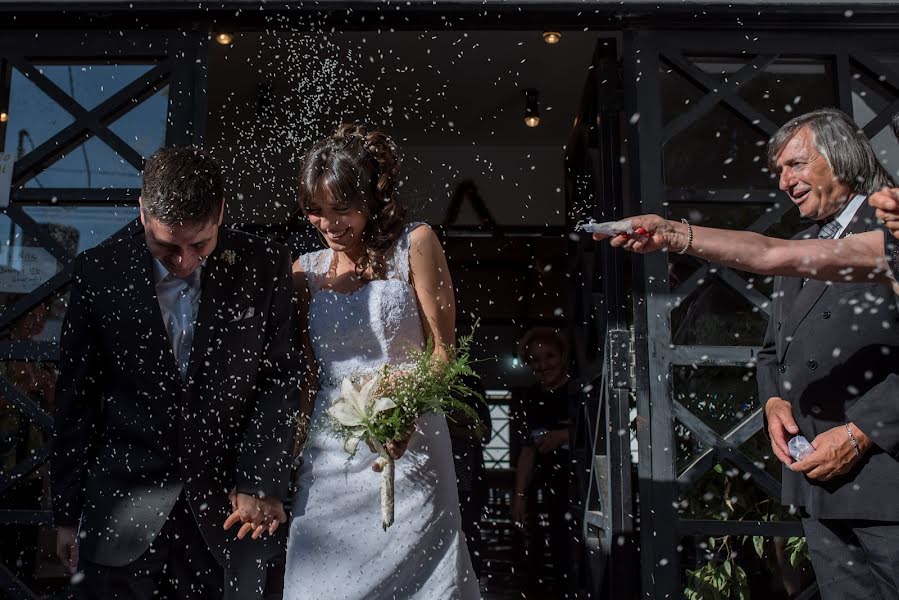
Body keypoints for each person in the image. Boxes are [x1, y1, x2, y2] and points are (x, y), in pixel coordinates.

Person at [602, 108, 899, 598]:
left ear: (842, 159)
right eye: (780, 171)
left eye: (796, 165)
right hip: (818, 485)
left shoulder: (887, 234)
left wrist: (862, 431)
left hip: (885, 473)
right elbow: (771, 351)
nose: (785, 182)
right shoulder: (803, 244)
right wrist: (774, 402)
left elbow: (766, 253)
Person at [51, 147, 302, 599]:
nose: (183, 261)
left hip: (229, 517)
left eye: (199, 244)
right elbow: (77, 399)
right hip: (120, 515)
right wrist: (66, 514)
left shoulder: (265, 266)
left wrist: (260, 481)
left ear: (222, 212)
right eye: (166, 245)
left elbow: (279, 382)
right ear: (143, 210)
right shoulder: (98, 271)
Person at [283, 124, 479, 599]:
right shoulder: (303, 272)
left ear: (370, 198)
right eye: (315, 211)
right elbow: (306, 372)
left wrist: (406, 408)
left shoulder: (416, 243)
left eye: (340, 209)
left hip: (413, 446)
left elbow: (442, 351)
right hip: (330, 451)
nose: (328, 224)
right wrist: (287, 454)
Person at [512, 327, 578, 596]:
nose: (542, 365)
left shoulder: (579, 390)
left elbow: (604, 431)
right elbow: (527, 450)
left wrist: (564, 436)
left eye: (549, 356)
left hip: (583, 484)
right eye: (535, 360)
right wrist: (519, 495)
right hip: (548, 487)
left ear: (562, 356)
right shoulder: (530, 397)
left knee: (584, 553)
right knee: (552, 553)